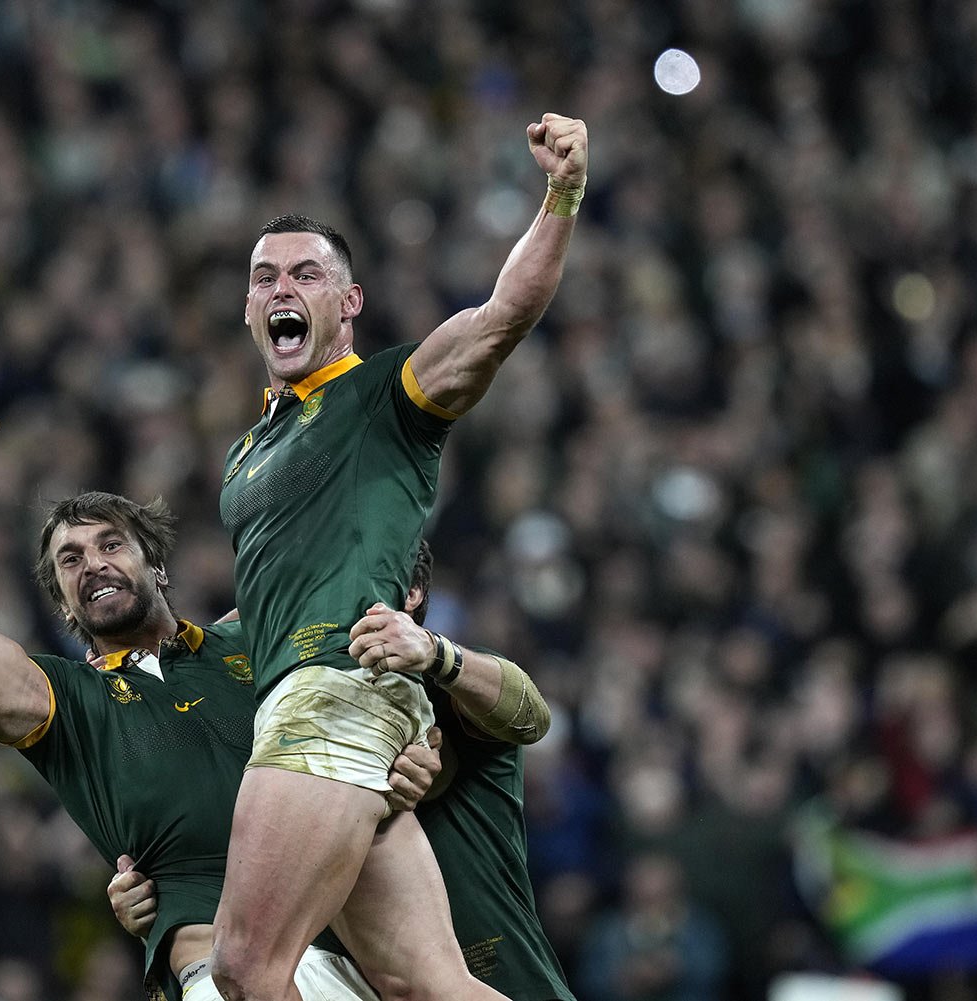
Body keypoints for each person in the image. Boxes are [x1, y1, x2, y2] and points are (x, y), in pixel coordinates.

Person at [214, 114, 588, 1001]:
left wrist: (562, 194)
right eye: (264, 276)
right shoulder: (246, 452)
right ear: (248, 310)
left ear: (349, 304)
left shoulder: (385, 395)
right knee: (424, 984)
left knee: (242, 966)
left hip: (333, 688)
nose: (281, 287)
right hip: (304, 696)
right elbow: (259, 603)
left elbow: (502, 318)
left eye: (307, 273)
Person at [0, 401, 439, 1001]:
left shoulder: (258, 638)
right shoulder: (64, 703)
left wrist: (407, 755)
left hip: (362, 959)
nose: (93, 564)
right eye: (70, 560)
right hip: (220, 974)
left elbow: (380, 663)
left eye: (111, 544)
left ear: (155, 565)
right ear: (62, 604)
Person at [113, 540, 577, 1001]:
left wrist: (438, 652)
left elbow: (531, 714)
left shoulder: (441, 689)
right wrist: (159, 896)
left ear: (408, 593)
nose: (320, 600)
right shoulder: (290, 720)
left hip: (503, 979)